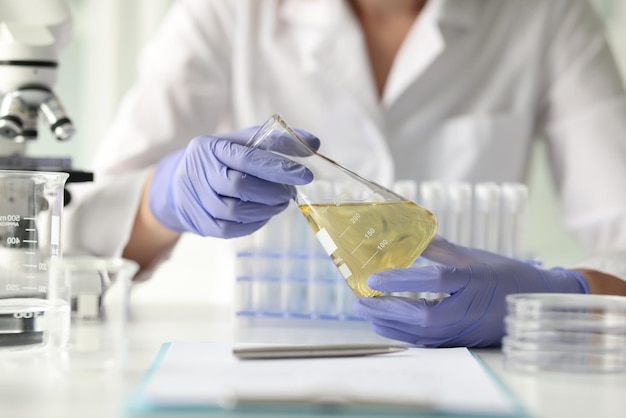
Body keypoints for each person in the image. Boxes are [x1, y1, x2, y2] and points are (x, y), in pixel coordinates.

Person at [65, 0, 626, 347]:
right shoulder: (227, 10)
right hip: (261, 359)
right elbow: (75, 253)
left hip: (471, 366)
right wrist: (160, 198)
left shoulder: (547, 13)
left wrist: (557, 295)